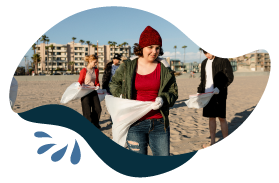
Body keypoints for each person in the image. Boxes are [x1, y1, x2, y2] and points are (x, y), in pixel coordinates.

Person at [109, 26, 178, 156]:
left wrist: (163, 98)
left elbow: (173, 92)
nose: (154, 51)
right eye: (150, 47)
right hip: (134, 123)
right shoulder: (128, 66)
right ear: (142, 47)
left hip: (159, 123)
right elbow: (113, 84)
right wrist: (122, 96)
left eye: (157, 48)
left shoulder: (164, 68)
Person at [197, 49, 234, 149]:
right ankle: (212, 142)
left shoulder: (223, 60)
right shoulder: (204, 62)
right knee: (211, 117)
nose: (207, 55)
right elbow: (203, 79)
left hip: (219, 93)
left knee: (222, 117)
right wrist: (199, 91)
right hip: (207, 94)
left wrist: (219, 88)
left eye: (208, 52)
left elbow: (229, 77)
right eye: (205, 53)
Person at [78, 54, 102, 129]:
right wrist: (79, 86)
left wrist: (98, 85)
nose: (96, 64)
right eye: (95, 62)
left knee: (98, 109)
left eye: (96, 62)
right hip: (85, 92)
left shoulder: (96, 70)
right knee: (87, 111)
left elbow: (97, 81)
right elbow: (80, 81)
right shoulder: (83, 70)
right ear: (90, 61)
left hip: (93, 91)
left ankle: (95, 124)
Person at [102, 53, 122, 124]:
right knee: (111, 103)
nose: (115, 60)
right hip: (109, 87)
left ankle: (116, 120)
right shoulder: (109, 67)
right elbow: (105, 77)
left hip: (119, 88)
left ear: (119, 60)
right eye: (114, 59)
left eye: (117, 59)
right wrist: (103, 87)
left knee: (118, 103)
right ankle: (112, 120)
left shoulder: (121, 67)